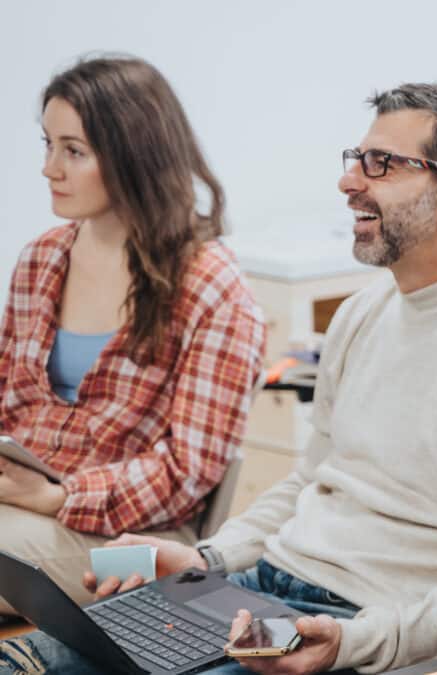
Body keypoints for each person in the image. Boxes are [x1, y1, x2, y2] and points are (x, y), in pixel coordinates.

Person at [0, 82, 437, 675]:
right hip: (261, 590)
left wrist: (353, 641)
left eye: (381, 164)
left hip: (362, 622)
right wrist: (206, 558)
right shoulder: (364, 313)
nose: (349, 181)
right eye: (356, 159)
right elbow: (310, 483)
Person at [0, 56, 265, 614]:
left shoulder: (211, 287)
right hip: (20, 508)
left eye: (73, 151)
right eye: (47, 144)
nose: (50, 168)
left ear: (134, 155)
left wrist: (56, 496)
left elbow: (187, 473)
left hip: (142, 545)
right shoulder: (41, 259)